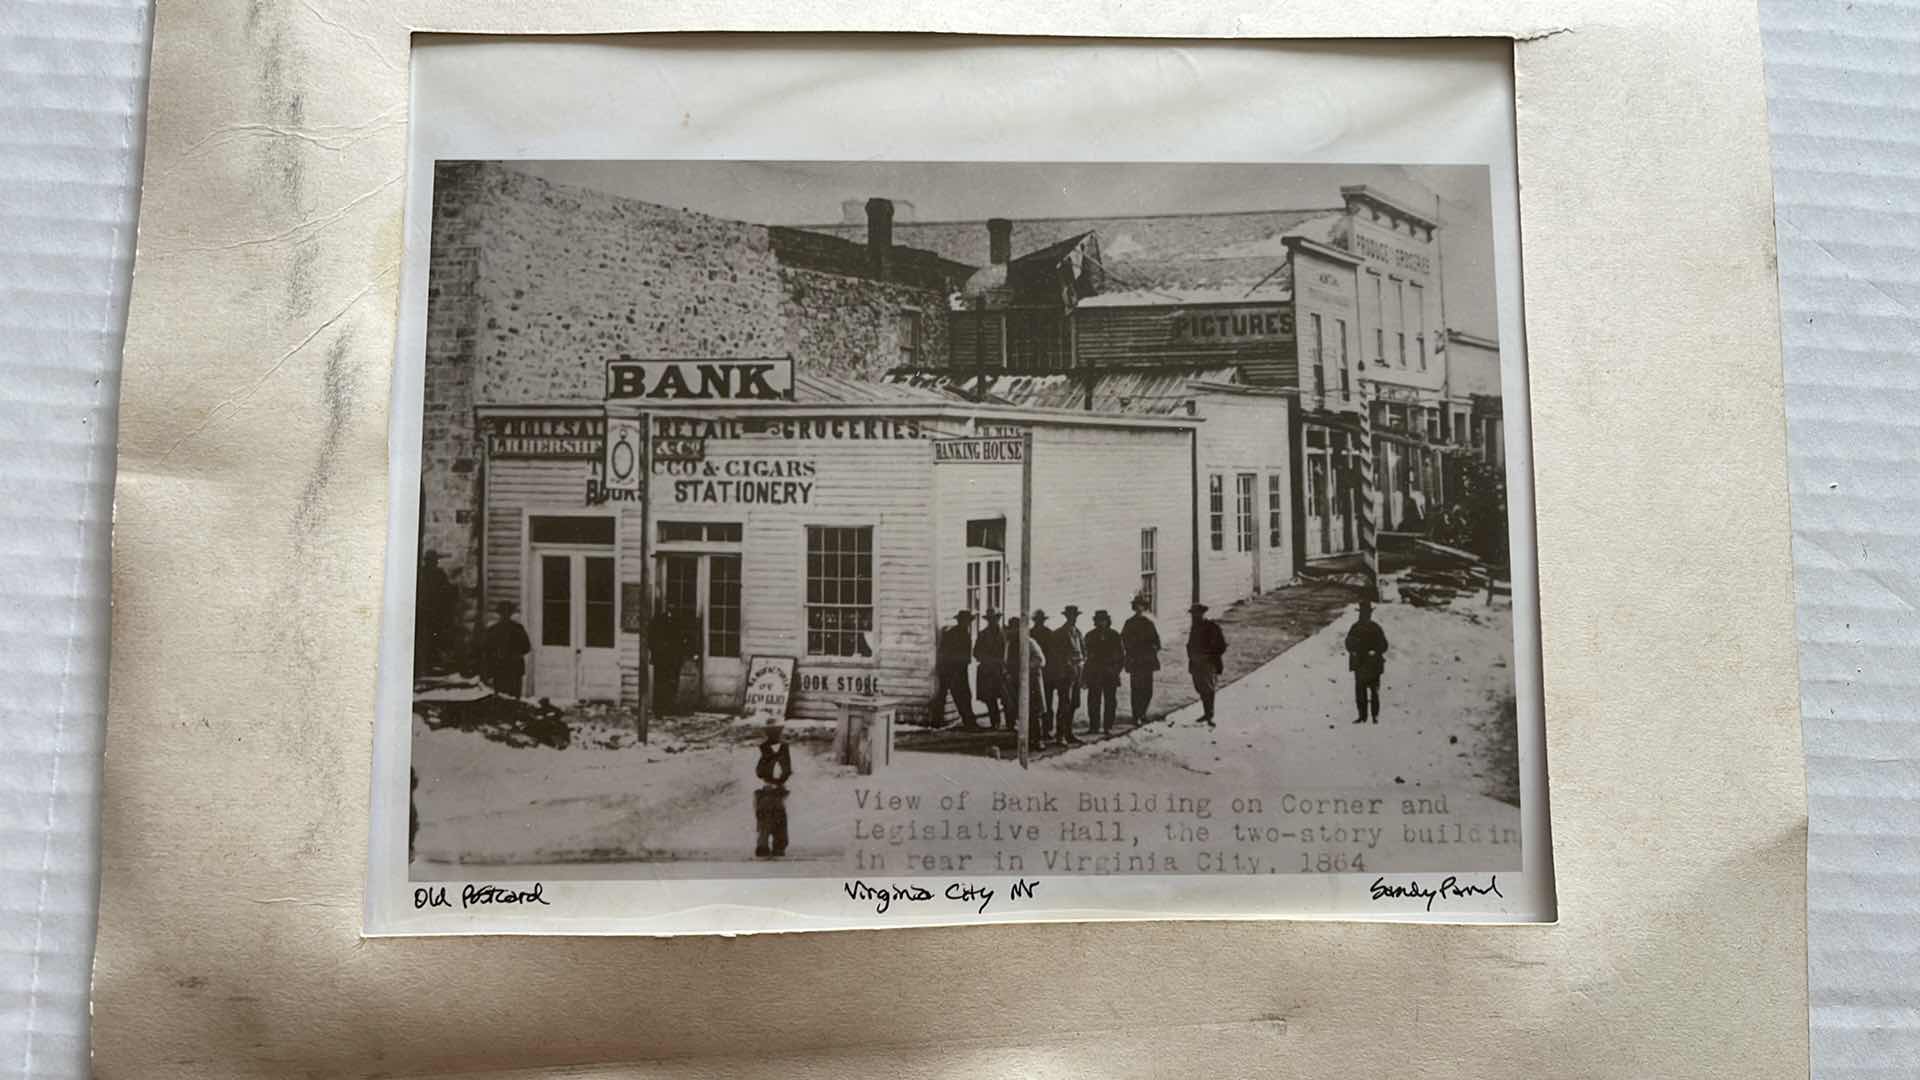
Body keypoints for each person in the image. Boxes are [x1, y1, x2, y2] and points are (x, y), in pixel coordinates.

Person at [647, 603, 698, 719]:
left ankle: (669, 707)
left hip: (674, 659)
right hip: (661, 659)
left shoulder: (679, 622)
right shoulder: (658, 621)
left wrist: (684, 652)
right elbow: (651, 638)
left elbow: (685, 638)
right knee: (660, 684)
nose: (671, 609)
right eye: (670, 607)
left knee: (672, 684)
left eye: (673, 607)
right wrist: (656, 650)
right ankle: (659, 710)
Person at [932, 610, 980, 730]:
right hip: (954, 670)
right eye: (965, 621)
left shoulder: (959, 633)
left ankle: (938, 721)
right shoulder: (956, 634)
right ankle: (968, 723)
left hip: (954, 668)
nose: (967, 623)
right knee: (961, 695)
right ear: (960, 621)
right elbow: (945, 651)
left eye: (968, 621)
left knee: (953, 695)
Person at [1345, 599, 1391, 725]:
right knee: (1360, 693)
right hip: (1360, 665)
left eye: (1366, 613)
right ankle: (1362, 716)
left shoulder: (1375, 628)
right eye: (1362, 613)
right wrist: (1353, 650)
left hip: (1373, 665)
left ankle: (1375, 716)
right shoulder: (1355, 628)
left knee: (1374, 692)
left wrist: (1375, 651)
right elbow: (1348, 643)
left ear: (1370, 614)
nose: (1364, 616)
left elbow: (1384, 645)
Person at [1047, 605, 1086, 745]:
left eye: (1075, 616)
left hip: (1077, 672)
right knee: (1065, 704)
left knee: (1074, 703)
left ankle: (1069, 733)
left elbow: (1083, 652)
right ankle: (1060, 735)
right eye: (1071, 616)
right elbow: (1055, 655)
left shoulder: (1078, 632)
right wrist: (1066, 665)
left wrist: (1081, 668)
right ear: (1066, 617)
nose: (1073, 619)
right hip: (1064, 674)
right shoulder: (1059, 634)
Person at [415, 550, 459, 674]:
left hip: (431, 612)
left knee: (431, 638)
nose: (434, 563)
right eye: (433, 561)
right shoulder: (436, 573)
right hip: (432, 613)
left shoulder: (423, 573)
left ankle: (429, 664)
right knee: (432, 638)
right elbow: (446, 591)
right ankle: (429, 664)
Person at [753, 721, 793, 858]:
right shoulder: (781, 751)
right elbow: (785, 772)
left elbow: (760, 772)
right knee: (777, 822)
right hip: (773, 794)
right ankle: (775, 847)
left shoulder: (769, 752)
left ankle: (769, 847)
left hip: (769, 794)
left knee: (768, 823)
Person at [1121, 593, 1162, 725]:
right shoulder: (1129, 623)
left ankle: (1143, 712)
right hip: (1135, 660)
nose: (1139, 608)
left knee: (1147, 689)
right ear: (1134, 607)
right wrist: (1131, 652)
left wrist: (1153, 648)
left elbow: (1157, 641)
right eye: (1137, 606)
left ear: (1144, 608)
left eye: (1142, 606)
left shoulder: (1148, 623)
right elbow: (1124, 641)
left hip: (1147, 661)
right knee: (1136, 689)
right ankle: (1136, 715)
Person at [1186, 602, 1227, 727]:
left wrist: (1210, 656)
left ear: (1203, 614)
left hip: (1208, 663)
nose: (1195, 616)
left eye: (1197, 614)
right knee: (1200, 688)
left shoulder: (1212, 627)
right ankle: (1206, 713)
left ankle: (1210, 714)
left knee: (1208, 688)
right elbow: (1189, 645)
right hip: (1196, 662)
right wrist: (1192, 656)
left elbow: (1221, 645)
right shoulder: (1194, 628)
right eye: (1193, 614)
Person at [1082, 609, 1123, 735]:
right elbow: (1086, 657)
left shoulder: (1115, 635)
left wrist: (1116, 670)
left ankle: (1108, 726)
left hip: (1110, 673)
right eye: (1098, 621)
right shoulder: (1090, 636)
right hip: (1094, 673)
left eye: (1103, 621)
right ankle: (1094, 726)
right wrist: (1085, 676)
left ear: (1108, 621)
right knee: (1093, 700)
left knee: (1110, 700)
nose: (1101, 623)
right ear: (1095, 622)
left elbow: (1121, 656)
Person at [481, 600, 532, 697]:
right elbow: (526, 648)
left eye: (506, 613)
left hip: (503, 669)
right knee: (512, 699)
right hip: (509, 670)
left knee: (501, 699)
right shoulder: (517, 628)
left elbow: (486, 651)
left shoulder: (493, 630)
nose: (505, 615)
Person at [973, 610, 1008, 730]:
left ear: (998, 619)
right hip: (987, 670)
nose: (993, 621)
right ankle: (995, 722)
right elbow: (976, 653)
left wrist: (1001, 663)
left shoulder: (1005, 634)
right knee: (990, 698)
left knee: (1006, 697)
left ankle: (1010, 723)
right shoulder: (982, 634)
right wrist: (987, 660)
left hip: (1001, 670)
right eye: (990, 619)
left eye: (995, 618)